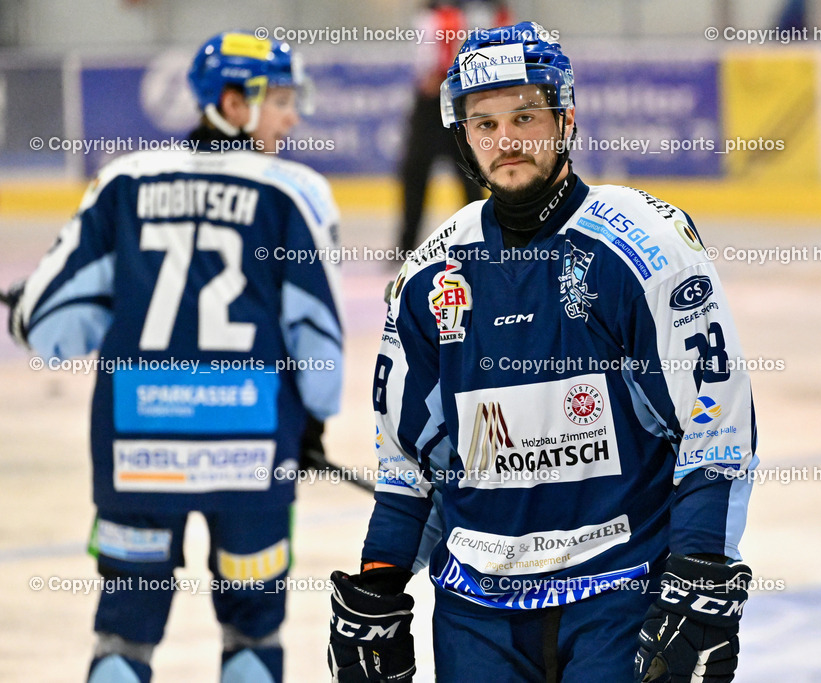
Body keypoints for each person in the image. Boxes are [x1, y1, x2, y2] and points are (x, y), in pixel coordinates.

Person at [328, 22, 757, 683]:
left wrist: (701, 570)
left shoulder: (645, 246)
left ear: (566, 119)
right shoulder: (429, 274)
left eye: (524, 117)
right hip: (476, 613)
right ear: (464, 135)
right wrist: (380, 583)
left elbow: (714, 422)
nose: (506, 140)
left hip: (621, 592)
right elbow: (409, 460)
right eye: (486, 123)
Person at [7, 31, 343, 683]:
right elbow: (318, 333)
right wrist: (313, 421)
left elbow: (49, 323)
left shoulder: (124, 182)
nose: (291, 118)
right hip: (252, 448)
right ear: (234, 103)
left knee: (123, 637)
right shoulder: (294, 192)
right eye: (280, 101)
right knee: (254, 631)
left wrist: (25, 309)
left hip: (137, 445)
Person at [395, 1, 510, 255]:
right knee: (420, 172)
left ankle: (481, 238)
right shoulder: (442, 13)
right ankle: (408, 245)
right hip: (441, 101)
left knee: (469, 172)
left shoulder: (471, 11)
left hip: (458, 98)